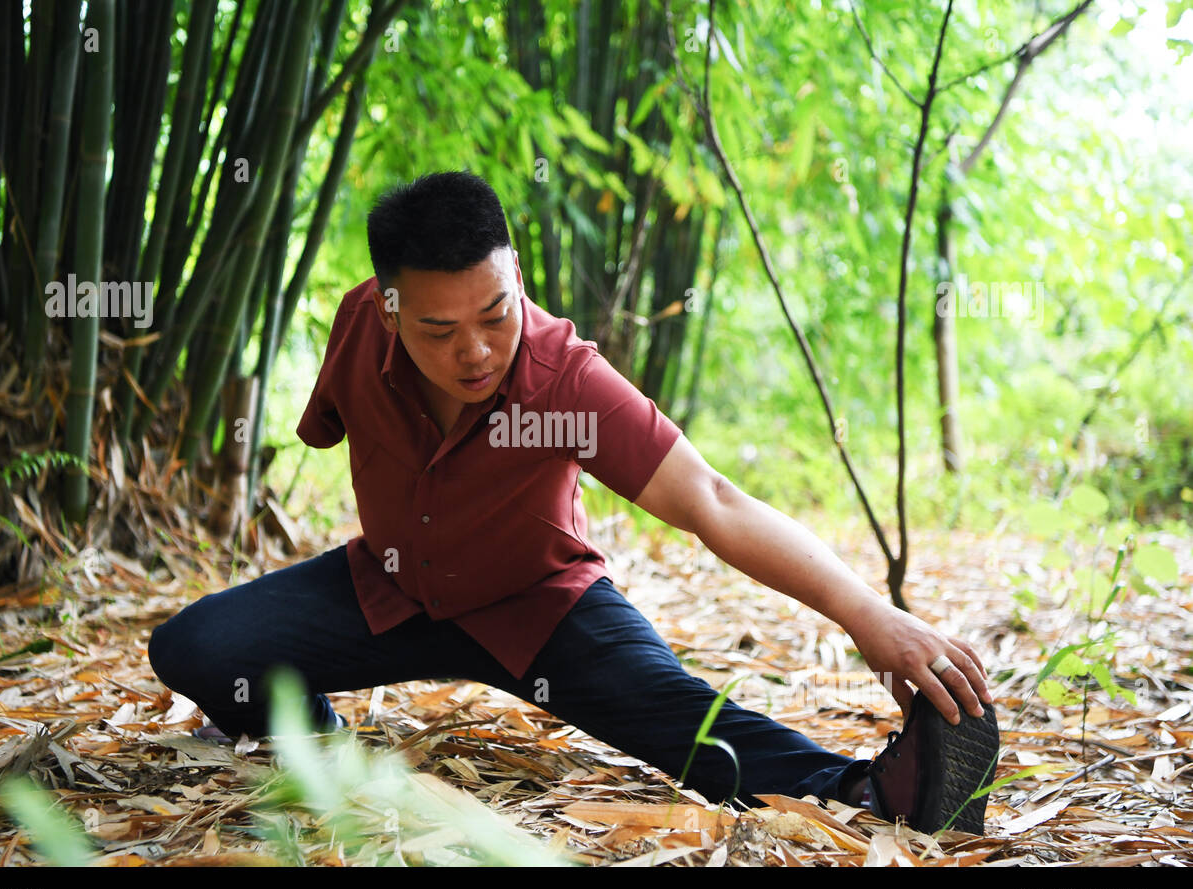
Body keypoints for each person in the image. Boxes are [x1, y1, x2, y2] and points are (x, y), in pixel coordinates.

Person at [149, 170, 1000, 836]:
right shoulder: (356, 326)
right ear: (389, 305)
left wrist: (865, 612)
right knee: (194, 648)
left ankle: (860, 788)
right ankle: (317, 739)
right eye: (439, 331)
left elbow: (713, 499)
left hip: (540, 607)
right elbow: (327, 427)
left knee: (683, 720)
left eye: (495, 313)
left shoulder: (568, 378)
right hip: (393, 589)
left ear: (516, 274)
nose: (475, 351)